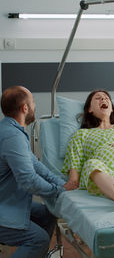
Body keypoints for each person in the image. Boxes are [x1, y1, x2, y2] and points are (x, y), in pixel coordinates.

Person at [0, 86, 74, 258]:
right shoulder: (12, 136)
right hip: (3, 206)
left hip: (8, 200)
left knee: (48, 213)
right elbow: (29, 180)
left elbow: (37, 167)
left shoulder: (12, 131)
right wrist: (59, 191)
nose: (34, 106)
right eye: (32, 102)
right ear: (25, 108)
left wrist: (62, 185)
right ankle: (36, 249)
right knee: (38, 240)